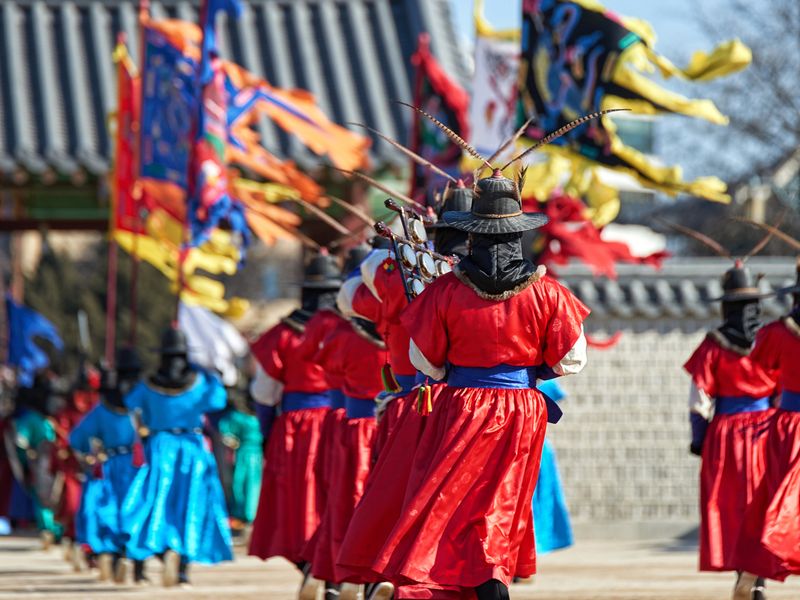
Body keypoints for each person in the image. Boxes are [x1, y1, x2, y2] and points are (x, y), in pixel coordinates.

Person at [339, 171, 589, 599]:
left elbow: (426, 362)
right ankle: (491, 581)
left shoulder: (443, 292)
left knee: (447, 502)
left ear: (474, 233)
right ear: (518, 233)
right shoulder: (549, 294)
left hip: (458, 404)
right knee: (499, 504)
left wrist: (463, 374)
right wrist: (527, 374)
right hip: (522, 409)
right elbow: (572, 359)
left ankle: (443, 580)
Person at [682, 261, 777, 595]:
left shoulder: (713, 345)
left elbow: (700, 399)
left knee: (732, 505)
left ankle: (744, 571)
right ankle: (759, 576)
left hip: (725, 433)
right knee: (764, 503)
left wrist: (699, 438)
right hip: (769, 433)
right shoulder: (772, 340)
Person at [248, 252, 341, 591]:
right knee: (338, 497)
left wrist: (266, 432)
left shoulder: (282, 335)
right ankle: (328, 568)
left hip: (296, 426)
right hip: (341, 422)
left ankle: (312, 564)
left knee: (299, 501)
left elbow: (263, 393)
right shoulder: (349, 331)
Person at [122, 327, 232, 587]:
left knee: (155, 503)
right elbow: (218, 402)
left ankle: (160, 550)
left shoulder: (148, 384)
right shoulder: (200, 381)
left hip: (159, 447)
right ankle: (182, 567)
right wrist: (213, 376)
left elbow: (129, 403)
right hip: (192, 448)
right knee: (190, 506)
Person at [734, 257, 800, 599]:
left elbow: (761, 368)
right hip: (787, 427)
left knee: (773, 500)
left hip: (787, 425)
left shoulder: (774, 333)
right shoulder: (775, 333)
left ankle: (755, 574)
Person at [69, 348, 146, 584]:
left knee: (111, 513)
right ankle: (138, 568)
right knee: (138, 512)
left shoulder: (102, 410)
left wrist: (89, 452)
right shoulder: (144, 402)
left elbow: (78, 438)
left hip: (111, 464)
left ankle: (114, 559)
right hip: (138, 465)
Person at [216, 380, 263, 531]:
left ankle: (253, 517)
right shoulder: (237, 416)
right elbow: (225, 431)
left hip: (258, 454)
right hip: (244, 454)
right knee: (241, 483)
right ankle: (242, 517)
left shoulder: (260, 413)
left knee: (254, 485)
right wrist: (232, 443)